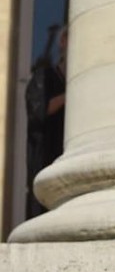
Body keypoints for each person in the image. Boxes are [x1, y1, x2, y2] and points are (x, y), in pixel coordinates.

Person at [24, 24, 67, 218]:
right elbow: (38, 111)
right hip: (47, 155)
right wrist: (69, 94)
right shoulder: (45, 76)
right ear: (63, 42)